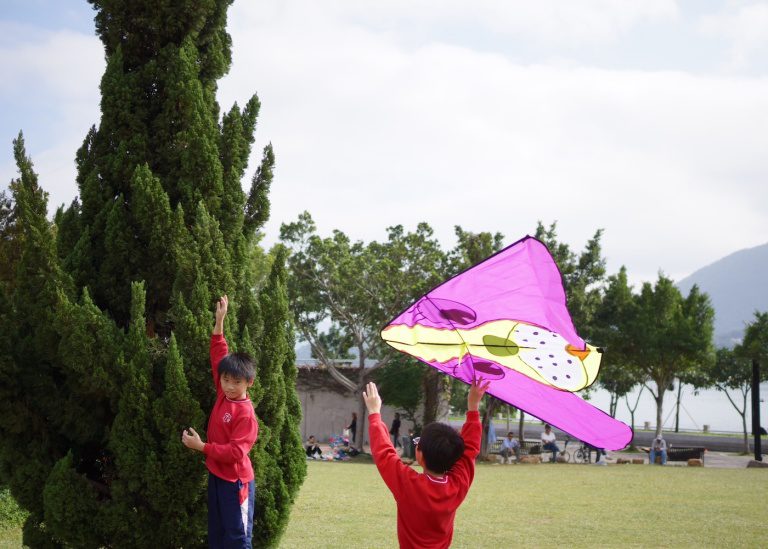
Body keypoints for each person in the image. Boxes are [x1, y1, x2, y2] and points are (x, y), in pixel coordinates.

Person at [363, 378, 490, 549]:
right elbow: (469, 451)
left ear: (420, 456)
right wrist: (473, 407)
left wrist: (374, 413)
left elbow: (384, 453)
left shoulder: (410, 485)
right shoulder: (458, 485)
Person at [182, 295, 259, 549]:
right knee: (217, 536)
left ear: (249, 382)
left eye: (236, 382)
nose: (229, 386)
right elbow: (218, 354)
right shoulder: (222, 392)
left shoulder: (245, 414)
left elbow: (237, 452)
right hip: (217, 476)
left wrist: (202, 447)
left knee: (238, 539)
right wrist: (220, 321)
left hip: (236, 483)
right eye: (225, 380)